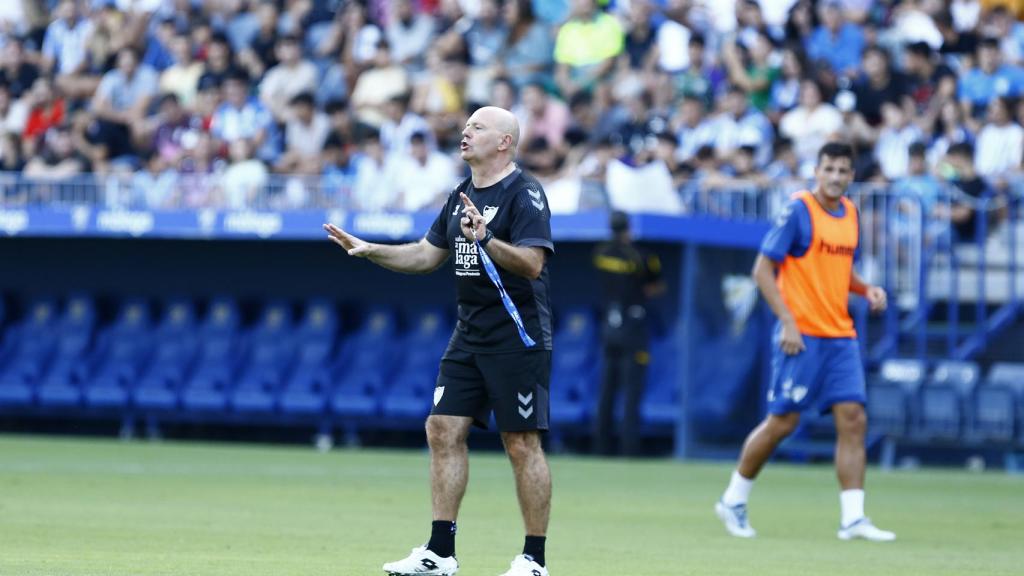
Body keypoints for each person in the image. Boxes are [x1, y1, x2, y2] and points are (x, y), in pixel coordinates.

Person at [324, 106, 554, 576]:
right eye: (466, 126)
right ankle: (440, 553)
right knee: (442, 429)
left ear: (505, 142)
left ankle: (533, 559)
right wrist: (370, 251)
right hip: (468, 334)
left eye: (477, 127)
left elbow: (532, 264)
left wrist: (487, 239)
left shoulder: (525, 193)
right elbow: (425, 256)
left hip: (517, 335)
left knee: (521, 442)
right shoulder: (460, 194)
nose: (465, 133)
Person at [715, 142, 897, 542]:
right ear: (817, 171)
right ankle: (733, 498)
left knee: (853, 419)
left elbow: (839, 270)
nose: (835, 177)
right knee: (784, 421)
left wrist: (867, 291)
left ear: (852, 176)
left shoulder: (851, 213)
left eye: (843, 171)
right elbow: (762, 270)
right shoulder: (799, 210)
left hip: (840, 335)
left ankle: (853, 518)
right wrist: (788, 322)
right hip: (801, 335)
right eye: (829, 169)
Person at [592, 210, 664, 456]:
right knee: (632, 390)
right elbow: (654, 285)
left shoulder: (600, 253)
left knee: (607, 389)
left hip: (609, 326)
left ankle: (600, 447)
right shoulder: (641, 256)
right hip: (633, 327)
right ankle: (629, 449)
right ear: (629, 228)